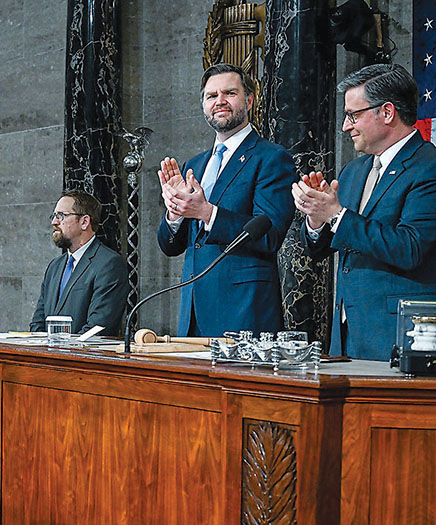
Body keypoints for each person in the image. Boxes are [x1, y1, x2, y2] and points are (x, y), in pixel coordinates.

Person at [294, 64, 436, 360]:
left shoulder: (428, 166)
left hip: (397, 335)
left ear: (386, 112)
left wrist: (336, 215)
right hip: (346, 336)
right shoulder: (352, 172)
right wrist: (317, 219)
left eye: (353, 115)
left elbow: (410, 247)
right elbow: (324, 248)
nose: (346, 126)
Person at [157, 63, 296, 337]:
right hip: (193, 312)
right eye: (211, 96)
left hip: (243, 313)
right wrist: (175, 213)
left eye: (230, 93)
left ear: (249, 100)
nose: (219, 101)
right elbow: (171, 246)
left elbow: (268, 236)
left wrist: (208, 213)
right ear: (203, 106)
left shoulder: (271, 158)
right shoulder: (194, 164)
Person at [30, 190, 128, 335]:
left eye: (61, 216)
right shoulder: (54, 266)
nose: (54, 222)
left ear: (84, 222)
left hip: (82, 356)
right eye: (54, 216)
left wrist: (62, 350)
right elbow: (38, 322)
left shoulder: (109, 264)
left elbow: (98, 327)